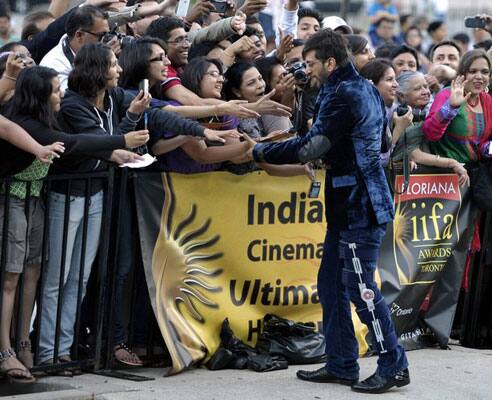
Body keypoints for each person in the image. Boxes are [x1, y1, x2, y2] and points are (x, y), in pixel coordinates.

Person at [244, 28, 409, 394]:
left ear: (331, 62)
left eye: (312, 63)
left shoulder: (346, 92)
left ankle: (394, 364)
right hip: (350, 202)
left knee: (362, 289)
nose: (308, 69)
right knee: (331, 285)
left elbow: (310, 147)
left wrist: (258, 151)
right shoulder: (356, 87)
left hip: (359, 206)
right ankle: (341, 364)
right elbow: (373, 139)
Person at [0, 66, 139, 382]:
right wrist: (121, 139)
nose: (59, 93)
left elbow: (73, 142)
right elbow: (68, 142)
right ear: (38, 96)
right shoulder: (27, 122)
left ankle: (26, 345)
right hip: (10, 199)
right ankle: (7, 351)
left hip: (34, 198)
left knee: (32, 272)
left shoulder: (48, 117)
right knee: (11, 277)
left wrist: (114, 152)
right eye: (53, 89)